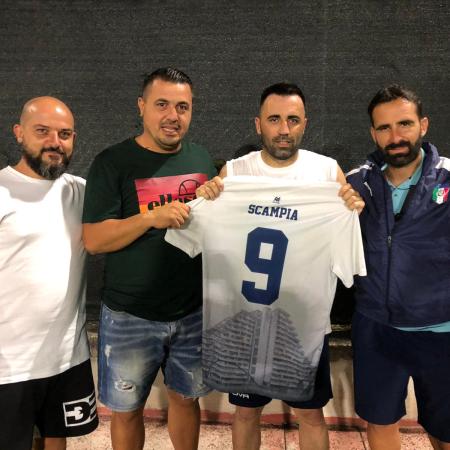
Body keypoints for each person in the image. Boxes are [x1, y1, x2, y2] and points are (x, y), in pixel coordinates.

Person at [195, 82, 364, 450]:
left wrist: (351, 210)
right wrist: (205, 199)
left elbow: (348, 243)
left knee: (310, 414)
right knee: (245, 412)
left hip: (303, 328)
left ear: (305, 123)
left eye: (293, 120)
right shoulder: (233, 173)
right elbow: (203, 232)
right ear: (258, 124)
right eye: (274, 119)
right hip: (244, 322)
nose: (284, 129)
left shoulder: (327, 173)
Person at [82, 68, 216, 450]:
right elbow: (94, 240)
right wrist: (149, 218)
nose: (173, 116)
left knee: (187, 399)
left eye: (182, 107)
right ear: (141, 106)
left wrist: (218, 193)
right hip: (130, 316)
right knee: (126, 411)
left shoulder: (201, 158)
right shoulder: (112, 162)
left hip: (192, 312)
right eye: (162, 105)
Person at [346, 85, 450, 450]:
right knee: (380, 423)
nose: (396, 137)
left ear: (424, 125)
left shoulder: (449, 179)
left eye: (404, 124)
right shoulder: (354, 184)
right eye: (384, 128)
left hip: (440, 329)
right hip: (376, 327)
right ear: (373, 133)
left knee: (445, 431)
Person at [0, 97, 98, 450]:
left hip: (67, 356)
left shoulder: (82, 191)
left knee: (57, 440)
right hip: (9, 365)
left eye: (65, 134)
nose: (55, 142)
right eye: (42, 131)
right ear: (19, 133)